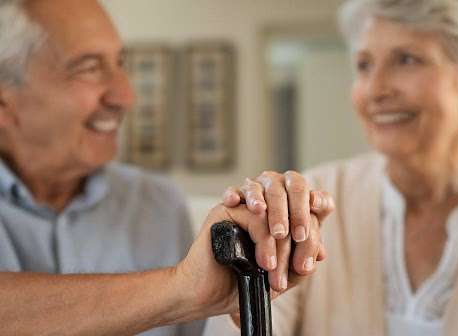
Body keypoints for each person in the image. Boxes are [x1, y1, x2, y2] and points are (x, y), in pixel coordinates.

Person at [0, 0, 334, 335]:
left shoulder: (157, 202)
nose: (125, 96)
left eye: (120, 64)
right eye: (88, 68)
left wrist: (254, 269)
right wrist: (182, 289)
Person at [206, 0, 458, 335]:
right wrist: (248, 270)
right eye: (364, 65)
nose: (376, 89)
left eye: (407, 60)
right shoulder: (308, 204)